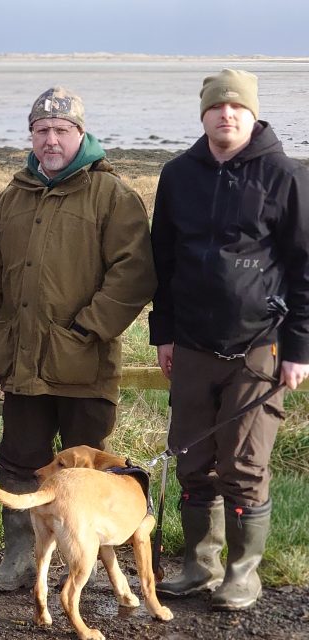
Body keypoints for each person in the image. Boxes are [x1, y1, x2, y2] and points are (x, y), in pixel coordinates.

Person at [0, 87, 156, 592]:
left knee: (90, 465)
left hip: (84, 363)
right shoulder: (12, 197)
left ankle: (95, 563)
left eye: (61, 130)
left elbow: (133, 275)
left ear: (81, 133)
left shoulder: (113, 196)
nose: (51, 139)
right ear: (30, 135)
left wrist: (84, 329)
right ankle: (18, 561)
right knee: (19, 461)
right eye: (41, 130)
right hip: (23, 363)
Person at [149, 69, 309, 611]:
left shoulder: (286, 176)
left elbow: (305, 269)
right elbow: (162, 261)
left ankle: (243, 573)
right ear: (203, 114)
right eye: (217, 107)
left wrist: (298, 349)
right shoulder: (177, 176)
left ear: (253, 114)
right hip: (191, 345)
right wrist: (164, 334)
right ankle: (199, 564)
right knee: (191, 457)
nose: (227, 114)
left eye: (237, 107)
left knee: (243, 464)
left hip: (258, 347)